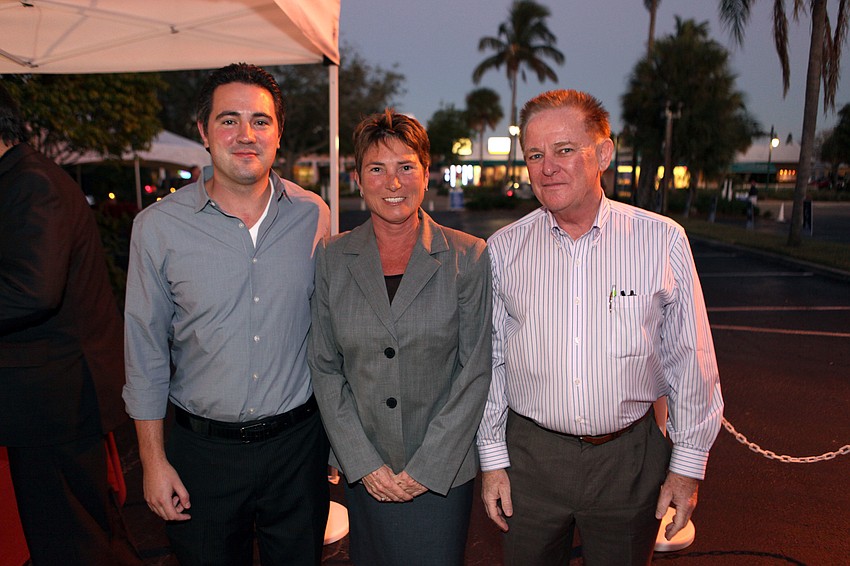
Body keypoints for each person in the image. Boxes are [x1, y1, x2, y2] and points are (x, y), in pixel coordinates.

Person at [476, 89, 724, 565]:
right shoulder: (504, 250)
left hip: (629, 462)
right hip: (530, 460)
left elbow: (690, 359)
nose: (548, 167)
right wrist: (492, 459)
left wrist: (687, 466)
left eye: (564, 150)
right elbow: (490, 361)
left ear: (603, 154)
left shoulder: (661, 240)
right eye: (535, 155)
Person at [123, 63, 330, 566]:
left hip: (298, 451)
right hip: (202, 457)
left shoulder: (314, 215)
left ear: (278, 132)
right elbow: (144, 354)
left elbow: (331, 336)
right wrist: (153, 462)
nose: (245, 135)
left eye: (260, 120)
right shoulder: (157, 228)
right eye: (228, 119)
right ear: (203, 130)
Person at [309, 109, 492, 566]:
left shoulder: (467, 257)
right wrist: (362, 461)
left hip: (441, 475)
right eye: (377, 168)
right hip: (366, 472)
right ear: (357, 179)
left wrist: (427, 468)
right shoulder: (332, 256)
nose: (393, 182)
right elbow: (325, 367)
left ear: (426, 175)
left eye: (406, 166)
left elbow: (474, 371)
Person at [0, 85, 139, 565]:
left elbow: (31, 290)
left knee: (72, 540)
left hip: (54, 398)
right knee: (88, 532)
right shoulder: (21, 177)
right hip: (53, 397)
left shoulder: (29, 183)